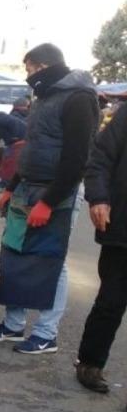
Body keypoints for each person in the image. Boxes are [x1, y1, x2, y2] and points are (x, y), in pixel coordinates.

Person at [0, 43, 99, 354]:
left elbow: (77, 158)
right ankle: (13, 326)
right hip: (26, 186)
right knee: (14, 254)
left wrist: (49, 201)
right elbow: (30, 148)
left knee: (50, 259)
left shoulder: (79, 99)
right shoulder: (43, 97)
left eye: (32, 69)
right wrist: (11, 186)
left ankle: (47, 333)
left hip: (57, 191)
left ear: (46, 66)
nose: (29, 76)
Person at [74, 103, 127, 397]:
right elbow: (100, 159)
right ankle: (90, 363)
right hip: (122, 227)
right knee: (111, 301)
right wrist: (98, 198)